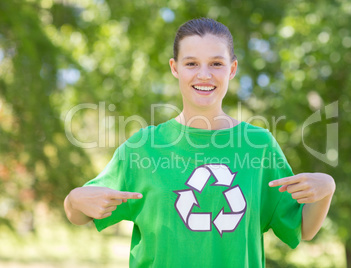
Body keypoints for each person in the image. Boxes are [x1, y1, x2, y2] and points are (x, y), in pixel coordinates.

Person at [64, 18, 336, 267]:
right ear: (175, 68)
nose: (204, 75)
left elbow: (302, 228)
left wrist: (327, 188)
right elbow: (81, 215)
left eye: (216, 64)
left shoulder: (259, 145)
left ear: (232, 69)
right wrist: (74, 200)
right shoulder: (143, 147)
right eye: (191, 63)